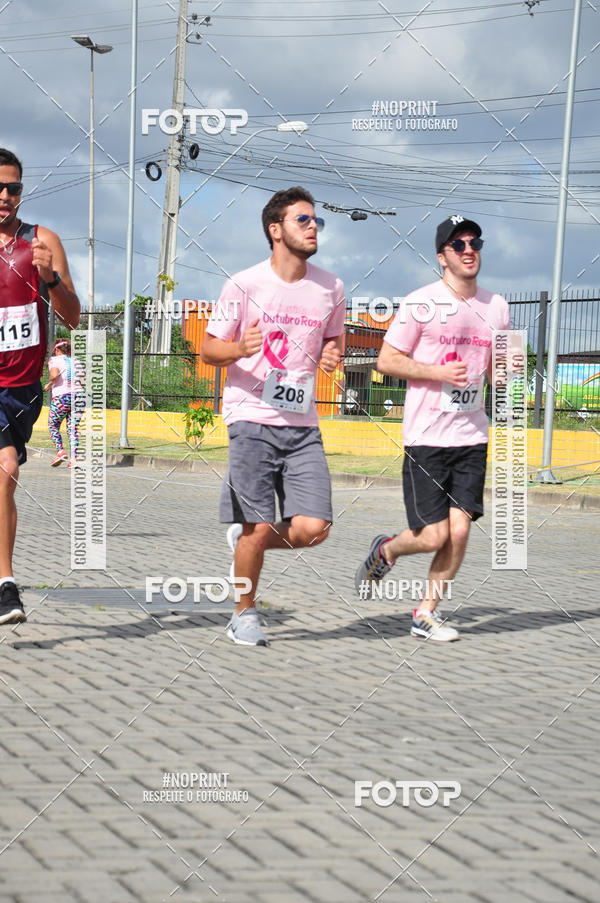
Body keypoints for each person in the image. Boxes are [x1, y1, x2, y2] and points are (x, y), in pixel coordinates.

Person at [201, 186, 345, 646]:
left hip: (302, 423)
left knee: (313, 528)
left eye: (315, 220)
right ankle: (243, 614)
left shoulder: (332, 287)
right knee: (257, 525)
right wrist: (238, 348)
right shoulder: (244, 284)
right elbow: (206, 348)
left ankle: (249, 545)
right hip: (251, 417)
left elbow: (332, 342)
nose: (312, 227)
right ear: (275, 229)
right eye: (302, 220)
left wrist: (331, 355)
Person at [355, 215, 510, 641]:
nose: (468, 249)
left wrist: (506, 371)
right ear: (442, 256)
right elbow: (387, 361)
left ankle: (425, 613)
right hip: (426, 437)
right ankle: (386, 549)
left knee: (458, 530)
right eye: (458, 244)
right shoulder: (421, 302)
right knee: (431, 536)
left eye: (475, 241)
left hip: (472, 436)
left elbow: (498, 375)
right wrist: (437, 372)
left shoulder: (498, 306)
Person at [0, 148, 80, 625]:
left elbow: (71, 316)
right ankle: (6, 585)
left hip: (23, 386)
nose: (4, 196)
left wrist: (49, 278)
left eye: (13, 188)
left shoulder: (41, 241)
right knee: (5, 468)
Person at [44, 339, 85, 467]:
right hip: (79, 396)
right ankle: (74, 459)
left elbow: (54, 375)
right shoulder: (76, 361)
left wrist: (50, 384)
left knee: (53, 424)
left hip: (62, 397)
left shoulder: (54, 360)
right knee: (72, 428)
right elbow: (83, 382)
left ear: (56, 350)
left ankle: (60, 451)